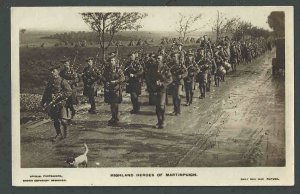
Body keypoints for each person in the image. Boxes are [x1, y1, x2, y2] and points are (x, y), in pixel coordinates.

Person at [41, 67, 72, 142]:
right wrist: (43, 102)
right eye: (51, 71)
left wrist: (61, 95)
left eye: (53, 71)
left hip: (61, 103)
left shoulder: (62, 81)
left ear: (57, 72)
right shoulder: (50, 81)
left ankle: (65, 130)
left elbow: (69, 91)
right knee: (55, 120)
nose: (52, 73)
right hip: (53, 103)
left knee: (63, 120)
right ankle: (59, 134)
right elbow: (46, 92)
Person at [148, 54, 172, 128]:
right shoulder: (152, 67)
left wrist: (162, 83)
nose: (157, 60)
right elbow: (148, 77)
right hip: (154, 89)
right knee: (157, 106)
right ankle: (159, 121)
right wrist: (152, 85)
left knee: (161, 106)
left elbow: (170, 79)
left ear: (162, 60)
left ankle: (163, 120)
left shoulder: (165, 68)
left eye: (159, 58)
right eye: (156, 58)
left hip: (162, 89)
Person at [102, 54, 125, 126]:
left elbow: (123, 78)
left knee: (115, 103)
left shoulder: (118, 69)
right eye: (110, 61)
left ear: (115, 61)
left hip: (116, 89)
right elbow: (103, 77)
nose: (111, 62)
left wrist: (115, 81)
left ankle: (116, 118)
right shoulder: (107, 69)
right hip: (109, 89)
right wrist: (106, 82)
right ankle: (113, 117)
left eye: (113, 60)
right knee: (111, 104)